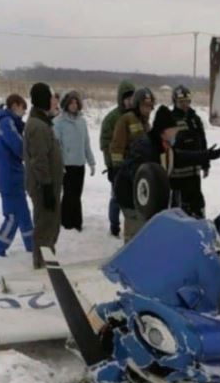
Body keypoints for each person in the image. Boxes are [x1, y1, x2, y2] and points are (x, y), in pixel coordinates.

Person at [114, 106, 220, 241]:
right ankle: (130, 259)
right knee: (137, 236)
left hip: (147, 198)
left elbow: (179, 157)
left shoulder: (164, 145)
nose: (175, 134)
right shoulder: (145, 146)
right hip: (130, 197)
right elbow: (136, 173)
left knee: (148, 233)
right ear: (163, 131)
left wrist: (206, 155)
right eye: (173, 131)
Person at [24, 83, 63, 269]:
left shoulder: (42, 123)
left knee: (50, 226)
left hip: (48, 185)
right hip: (42, 187)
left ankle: (47, 263)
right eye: (50, 97)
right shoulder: (37, 127)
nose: (53, 101)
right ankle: (43, 268)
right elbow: (39, 160)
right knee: (44, 228)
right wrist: (47, 186)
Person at [0, 94, 34, 257]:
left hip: (14, 176)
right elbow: (20, 148)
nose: (24, 112)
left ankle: (32, 245)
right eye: (23, 108)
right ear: (15, 105)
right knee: (12, 216)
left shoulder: (9, 123)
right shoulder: (7, 124)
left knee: (23, 214)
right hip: (9, 178)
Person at [110, 87, 155, 241]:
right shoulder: (126, 119)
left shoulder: (147, 123)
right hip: (127, 175)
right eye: (144, 106)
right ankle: (129, 245)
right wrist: (116, 169)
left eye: (150, 106)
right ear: (137, 105)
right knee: (132, 216)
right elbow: (116, 146)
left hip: (141, 175)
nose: (147, 110)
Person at [54, 91, 96, 231]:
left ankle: (77, 223)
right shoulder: (59, 122)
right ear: (66, 104)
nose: (74, 105)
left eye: (76, 102)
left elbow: (86, 143)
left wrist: (91, 162)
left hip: (80, 164)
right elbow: (57, 145)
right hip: (67, 165)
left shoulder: (81, 121)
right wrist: (59, 164)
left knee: (77, 195)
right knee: (68, 194)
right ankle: (66, 223)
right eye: (71, 103)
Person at [99, 80, 136, 237]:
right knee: (116, 197)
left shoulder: (137, 116)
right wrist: (112, 166)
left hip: (134, 165)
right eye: (127, 98)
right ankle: (114, 225)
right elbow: (105, 143)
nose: (129, 101)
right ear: (121, 99)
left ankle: (134, 225)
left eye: (132, 98)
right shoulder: (111, 118)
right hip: (118, 166)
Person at [170, 85, 209, 218]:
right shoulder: (170, 120)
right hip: (177, 175)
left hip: (194, 172)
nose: (185, 105)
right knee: (179, 208)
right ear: (175, 101)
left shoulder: (195, 119)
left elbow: (202, 142)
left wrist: (205, 163)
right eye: (181, 102)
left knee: (197, 204)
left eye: (187, 101)